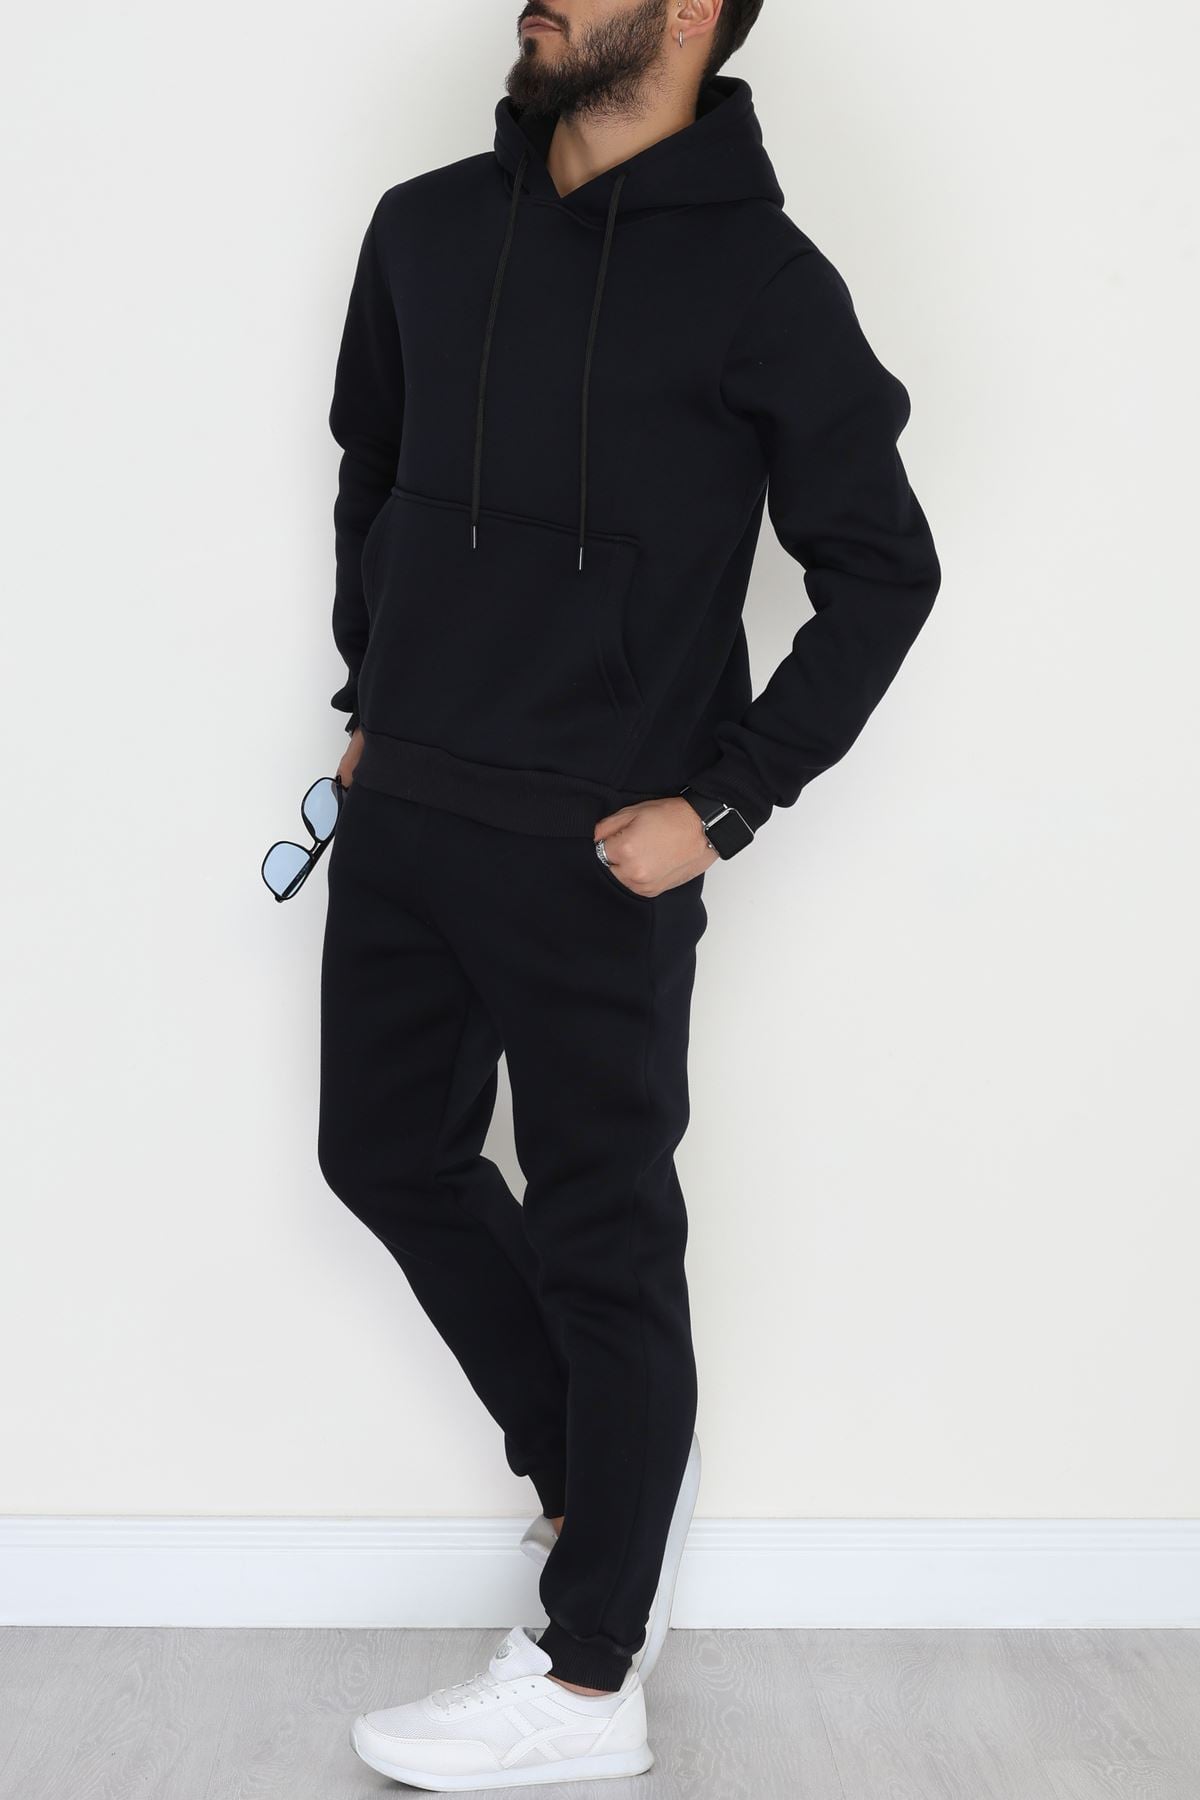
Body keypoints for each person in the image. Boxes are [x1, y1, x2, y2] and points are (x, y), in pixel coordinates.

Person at [316, 0, 941, 1787]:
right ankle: (609, 1498)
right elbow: (373, 472)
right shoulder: (425, 226)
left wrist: (727, 803)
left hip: (601, 847)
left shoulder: (764, 284)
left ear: (689, 15)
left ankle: (589, 1679)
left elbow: (884, 568)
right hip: (410, 802)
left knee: (605, 1235)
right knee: (384, 1157)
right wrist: (370, 695)